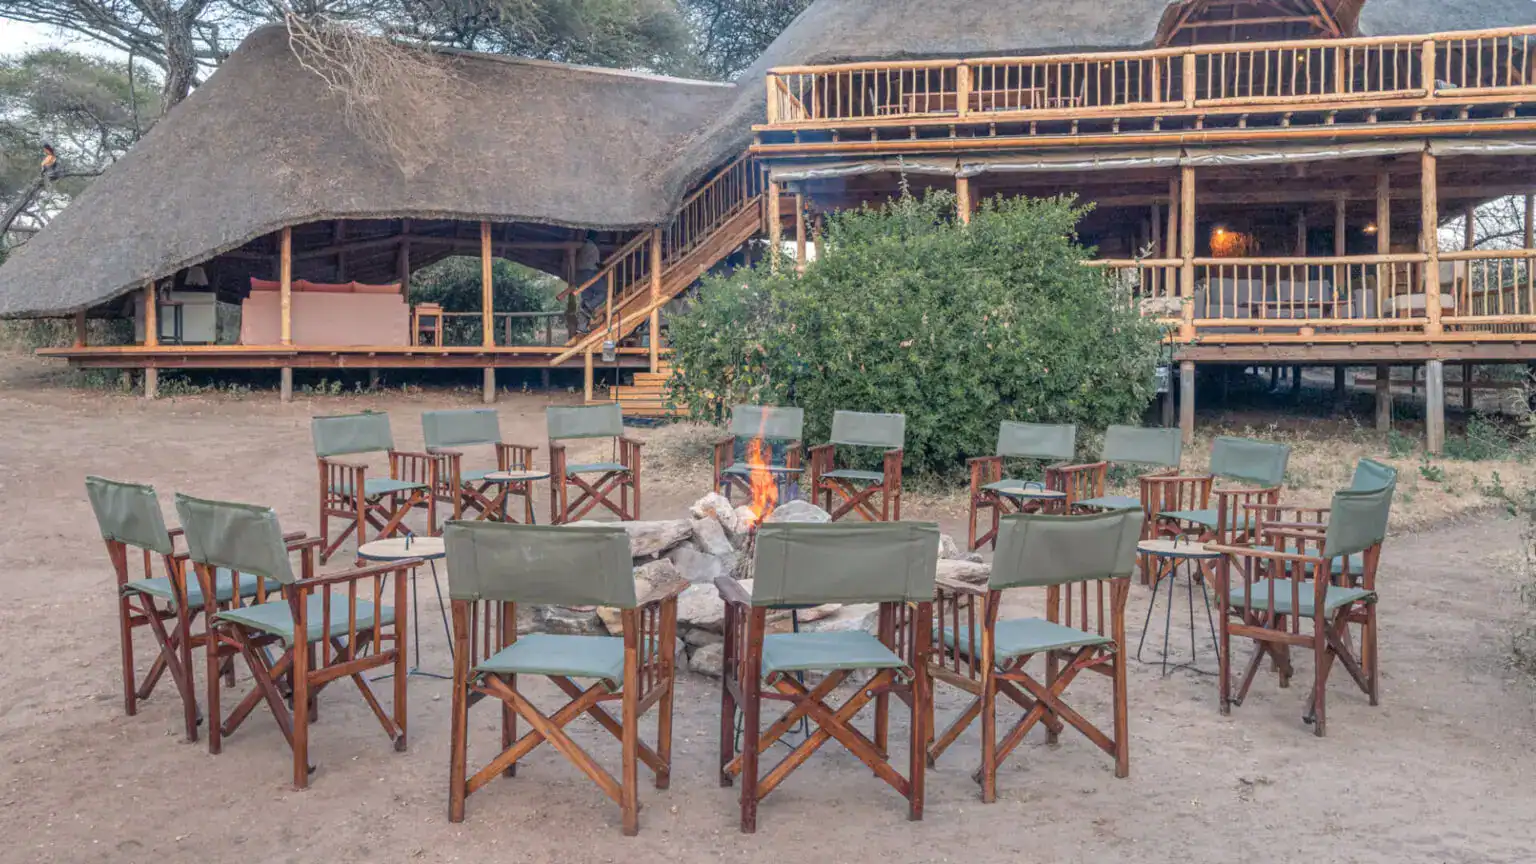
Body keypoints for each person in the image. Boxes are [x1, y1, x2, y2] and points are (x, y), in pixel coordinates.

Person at [575, 231, 602, 333]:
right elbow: (596, 264)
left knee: (587, 297)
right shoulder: (592, 247)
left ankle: (581, 327)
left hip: (579, 275)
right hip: (588, 273)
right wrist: (603, 267)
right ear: (595, 237)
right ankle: (588, 306)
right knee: (603, 292)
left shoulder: (583, 245)